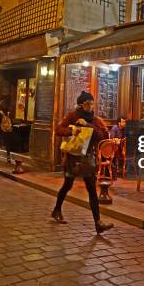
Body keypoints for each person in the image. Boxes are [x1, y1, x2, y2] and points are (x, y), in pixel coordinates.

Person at [51, 91, 114, 234]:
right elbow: (58, 129)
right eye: (87, 103)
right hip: (73, 159)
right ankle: (57, 209)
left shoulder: (95, 120)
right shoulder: (72, 116)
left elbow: (103, 135)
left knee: (92, 190)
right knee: (67, 185)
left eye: (92, 103)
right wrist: (71, 131)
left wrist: (88, 125)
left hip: (88, 159)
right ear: (81, 104)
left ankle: (98, 223)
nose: (91, 106)